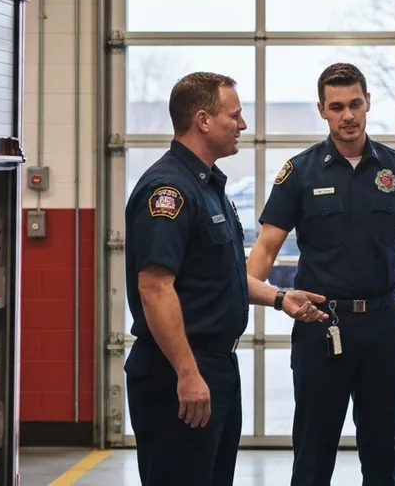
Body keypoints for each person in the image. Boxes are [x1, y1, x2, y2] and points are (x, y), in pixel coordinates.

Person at [122, 72, 324, 486]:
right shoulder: (170, 191)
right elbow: (155, 287)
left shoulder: (209, 187)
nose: (243, 125)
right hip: (178, 370)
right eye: (235, 115)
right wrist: (187, 372)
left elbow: (221, 277)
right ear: (203, 120)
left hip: (214, 366)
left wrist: (279, 296)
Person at [247, 63, 395, 486]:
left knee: (383, 456)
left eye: (355, 104)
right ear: (322, 110)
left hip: (383, 326)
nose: (348, 115)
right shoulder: (300, 173)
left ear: (367, 103)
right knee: (312, 455)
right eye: (337, 107)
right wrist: (250, 296)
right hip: (319, 326)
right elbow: (266, 249)